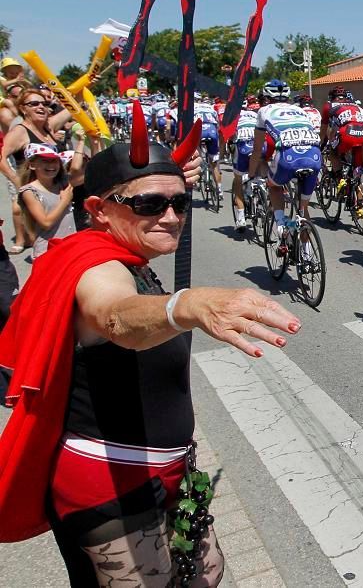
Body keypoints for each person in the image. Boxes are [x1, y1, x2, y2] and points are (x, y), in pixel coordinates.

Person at [0, 121, 301, 586]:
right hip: (108, 479)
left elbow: (157, 195)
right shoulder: (96, 266)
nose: (172, 215)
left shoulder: (127, 247)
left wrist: (166, 180)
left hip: (166, 469)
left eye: (179, 203)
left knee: (205, 574)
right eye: (149, 204)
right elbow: (115, 315)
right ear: (99, 210)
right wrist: (188, 304)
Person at [248, 80, 322, 261]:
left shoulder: (263, 111)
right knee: (303, 211)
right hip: (314, 155)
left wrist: (251, 175)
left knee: (274, 186)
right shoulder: (301, 110)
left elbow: (257, 150)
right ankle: (307, 254)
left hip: (288, 156)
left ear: (266, 97)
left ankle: (281, 224)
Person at [1, 88, 73, 254]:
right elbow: (1, 157)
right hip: (39, 193)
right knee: (47, 235)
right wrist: (18, 181)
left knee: (64, 230)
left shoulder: (48, 126)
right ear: (23, 108)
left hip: (59, 186)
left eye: (44, 103)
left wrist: (90, 79)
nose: (41, 107)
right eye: (34, 104)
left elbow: (71, 105)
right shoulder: (20, 131)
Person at [17, 143, 78, 261]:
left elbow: (77, 169)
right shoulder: (29, 191)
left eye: (55, 161)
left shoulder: (62, 184)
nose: (51, 165)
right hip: (48, 250)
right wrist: (65, 201)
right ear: (32, 165)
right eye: (45, 161)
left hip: (70, 245)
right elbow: (46, 222)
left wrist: (82, 142)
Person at [230, 99, 258, 232]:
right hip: (259, 146)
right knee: (261, 167)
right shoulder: (254, 114)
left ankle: (241, 219)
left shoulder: (232, 117)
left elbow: (228, 137)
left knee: (238, 180)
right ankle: (260, 186)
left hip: (242, 146)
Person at [194, 94, 222, 203]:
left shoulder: (194, 109)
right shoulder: (212, 109)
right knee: (214, 163)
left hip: (200, 131)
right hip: (212, 131)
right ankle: (219, 189)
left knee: (196, 152)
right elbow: (218, 125)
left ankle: (199, 167)